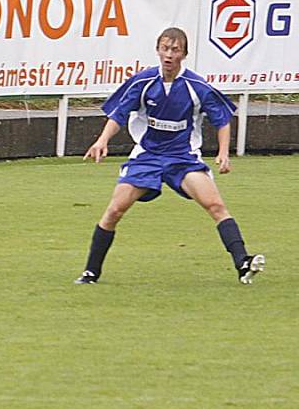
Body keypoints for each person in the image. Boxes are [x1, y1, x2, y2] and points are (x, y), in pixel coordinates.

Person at [76, 27, 265, 285]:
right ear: (157, 50)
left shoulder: (196, 86)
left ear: (184, 54)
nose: (168, 55)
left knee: (216, 206)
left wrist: (223, 152)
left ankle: (242, 262)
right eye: (165, 48)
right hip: (147, 156)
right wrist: (102, 140)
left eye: (175, 50)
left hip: (182, 158)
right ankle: (90, 272)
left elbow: (222, 119)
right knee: (115, 210)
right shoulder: (143, 82)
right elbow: (118, 114)